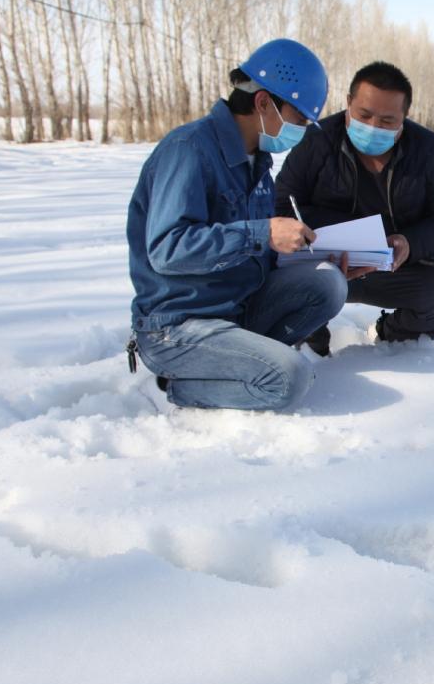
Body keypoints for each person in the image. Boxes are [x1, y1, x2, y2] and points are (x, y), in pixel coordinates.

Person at [126, 39, 347, 411]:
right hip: (177, 325)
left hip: (235, 307)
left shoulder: (257, 163)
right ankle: (179, 385)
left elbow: (258, 251)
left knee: (329, 283)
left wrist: (316, 256)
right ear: (263, 102)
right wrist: (262, 233)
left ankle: (243, 355)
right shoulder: (188, 150)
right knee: (288, 378)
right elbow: (167, 250)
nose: (300, 132)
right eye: (297, 120)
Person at [277, 61, 434, 349]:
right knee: (270, 285)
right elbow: (281, 205)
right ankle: (313, 346)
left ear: (404, 118)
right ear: (348, 103)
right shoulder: (316, 140)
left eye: (387, 121)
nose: (373, 127)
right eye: (364, 115)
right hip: (325, 265)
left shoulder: (427, 149)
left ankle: (390, 337)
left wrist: (409, 242)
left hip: (394, 269)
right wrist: (324, 238)